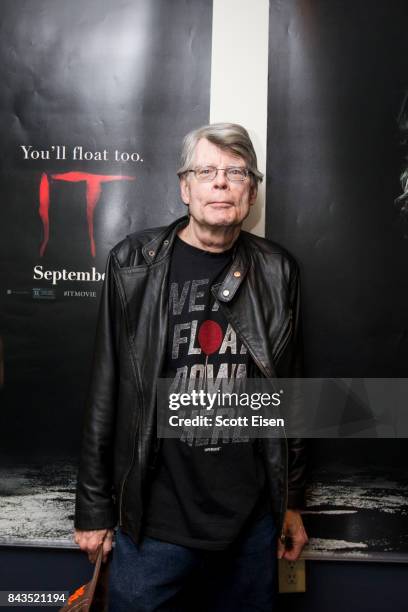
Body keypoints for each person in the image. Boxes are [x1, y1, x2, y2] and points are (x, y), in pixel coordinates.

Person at [74, 123, 308, 611]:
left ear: (252, 190)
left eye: (236, 172)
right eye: (207, 170)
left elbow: (292, 395)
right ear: (185, 187)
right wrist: (94, 509)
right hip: (153, 528)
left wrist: (290, 503)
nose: (220, 182)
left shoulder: (278, 270)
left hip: (250, 527)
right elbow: (106, 388)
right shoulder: (133, 263)